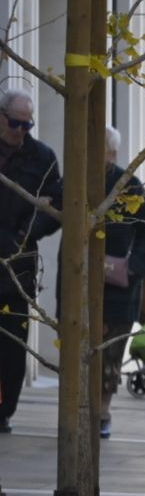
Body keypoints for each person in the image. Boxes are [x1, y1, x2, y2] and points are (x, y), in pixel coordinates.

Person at [0, 85, 63, 433]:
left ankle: (3, 410)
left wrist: (27, 234)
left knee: (12, 348)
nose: (21, 131)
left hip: (17, 266)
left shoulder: (42, 158)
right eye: (15, 124)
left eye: (28, 125)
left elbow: (55, 205)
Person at [97, 127, 145, 439]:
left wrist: (132, 268)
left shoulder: (128, 185)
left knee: (108, 359)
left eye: (106, 152)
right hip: (79, 287)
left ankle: (101, 411)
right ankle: (80, 412)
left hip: (118, 291)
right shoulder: (76, 181)